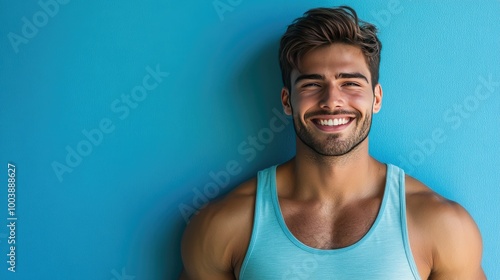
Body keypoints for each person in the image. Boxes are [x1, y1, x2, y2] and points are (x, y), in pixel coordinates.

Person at [180, 6, 485, 280]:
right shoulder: (225, 225)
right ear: (287, 101)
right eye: (312, 84)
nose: (332, 101)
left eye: (350, 83)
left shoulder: (442, 225)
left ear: (376, 98)